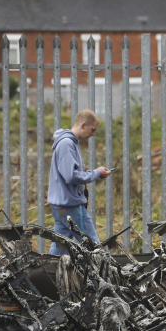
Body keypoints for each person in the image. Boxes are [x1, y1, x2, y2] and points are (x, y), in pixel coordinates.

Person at [46, 109, 112, 255]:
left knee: (61, 245)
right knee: (92, 244)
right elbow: (71, 176)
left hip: (61, 206)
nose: (93, 134)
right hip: (70, 206)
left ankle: (48, 272)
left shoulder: (69, 143)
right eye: (92, 129)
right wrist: (96, 173)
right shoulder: (66, 144)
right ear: (83, 125)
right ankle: (102, 276)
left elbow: (70, 173)